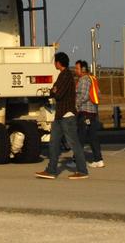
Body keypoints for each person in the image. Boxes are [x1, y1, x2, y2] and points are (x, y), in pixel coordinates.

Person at [37, 52, 89, 180]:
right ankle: (51, 170)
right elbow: (53, 90)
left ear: (59, 63)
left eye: (55, 61)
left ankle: (82, 171)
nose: (54, 64)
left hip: (67, 115)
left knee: (74, 144)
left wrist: (54, 91)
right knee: (53, 143)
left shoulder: (66, 76)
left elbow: (58, 93)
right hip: (60, 115)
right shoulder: (62, 75)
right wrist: (54, 90)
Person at [74, 60, 104, 168]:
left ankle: (77, 162)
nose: (75, 70)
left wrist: (76, 106)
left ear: (83, 69)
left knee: (80, 138)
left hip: (85, 112)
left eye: (77, 68)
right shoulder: (92, 78)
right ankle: (98, 159)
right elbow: (98, 94)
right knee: (92, 137)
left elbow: (83, 96)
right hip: (92, 112)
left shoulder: (83, 80)